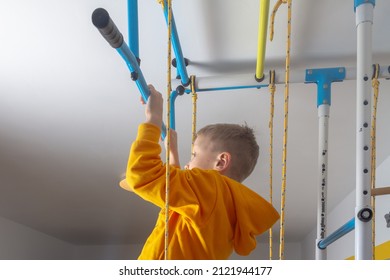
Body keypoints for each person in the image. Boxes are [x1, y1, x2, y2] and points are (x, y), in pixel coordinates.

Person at [121, 84, 280, 260]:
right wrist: (173, 156)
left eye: (194, 154)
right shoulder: (226, 207)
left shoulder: (211, 186)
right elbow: (179, 203)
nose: (188, 165)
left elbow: (142, 174)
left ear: (221, 162)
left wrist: (154, 118)